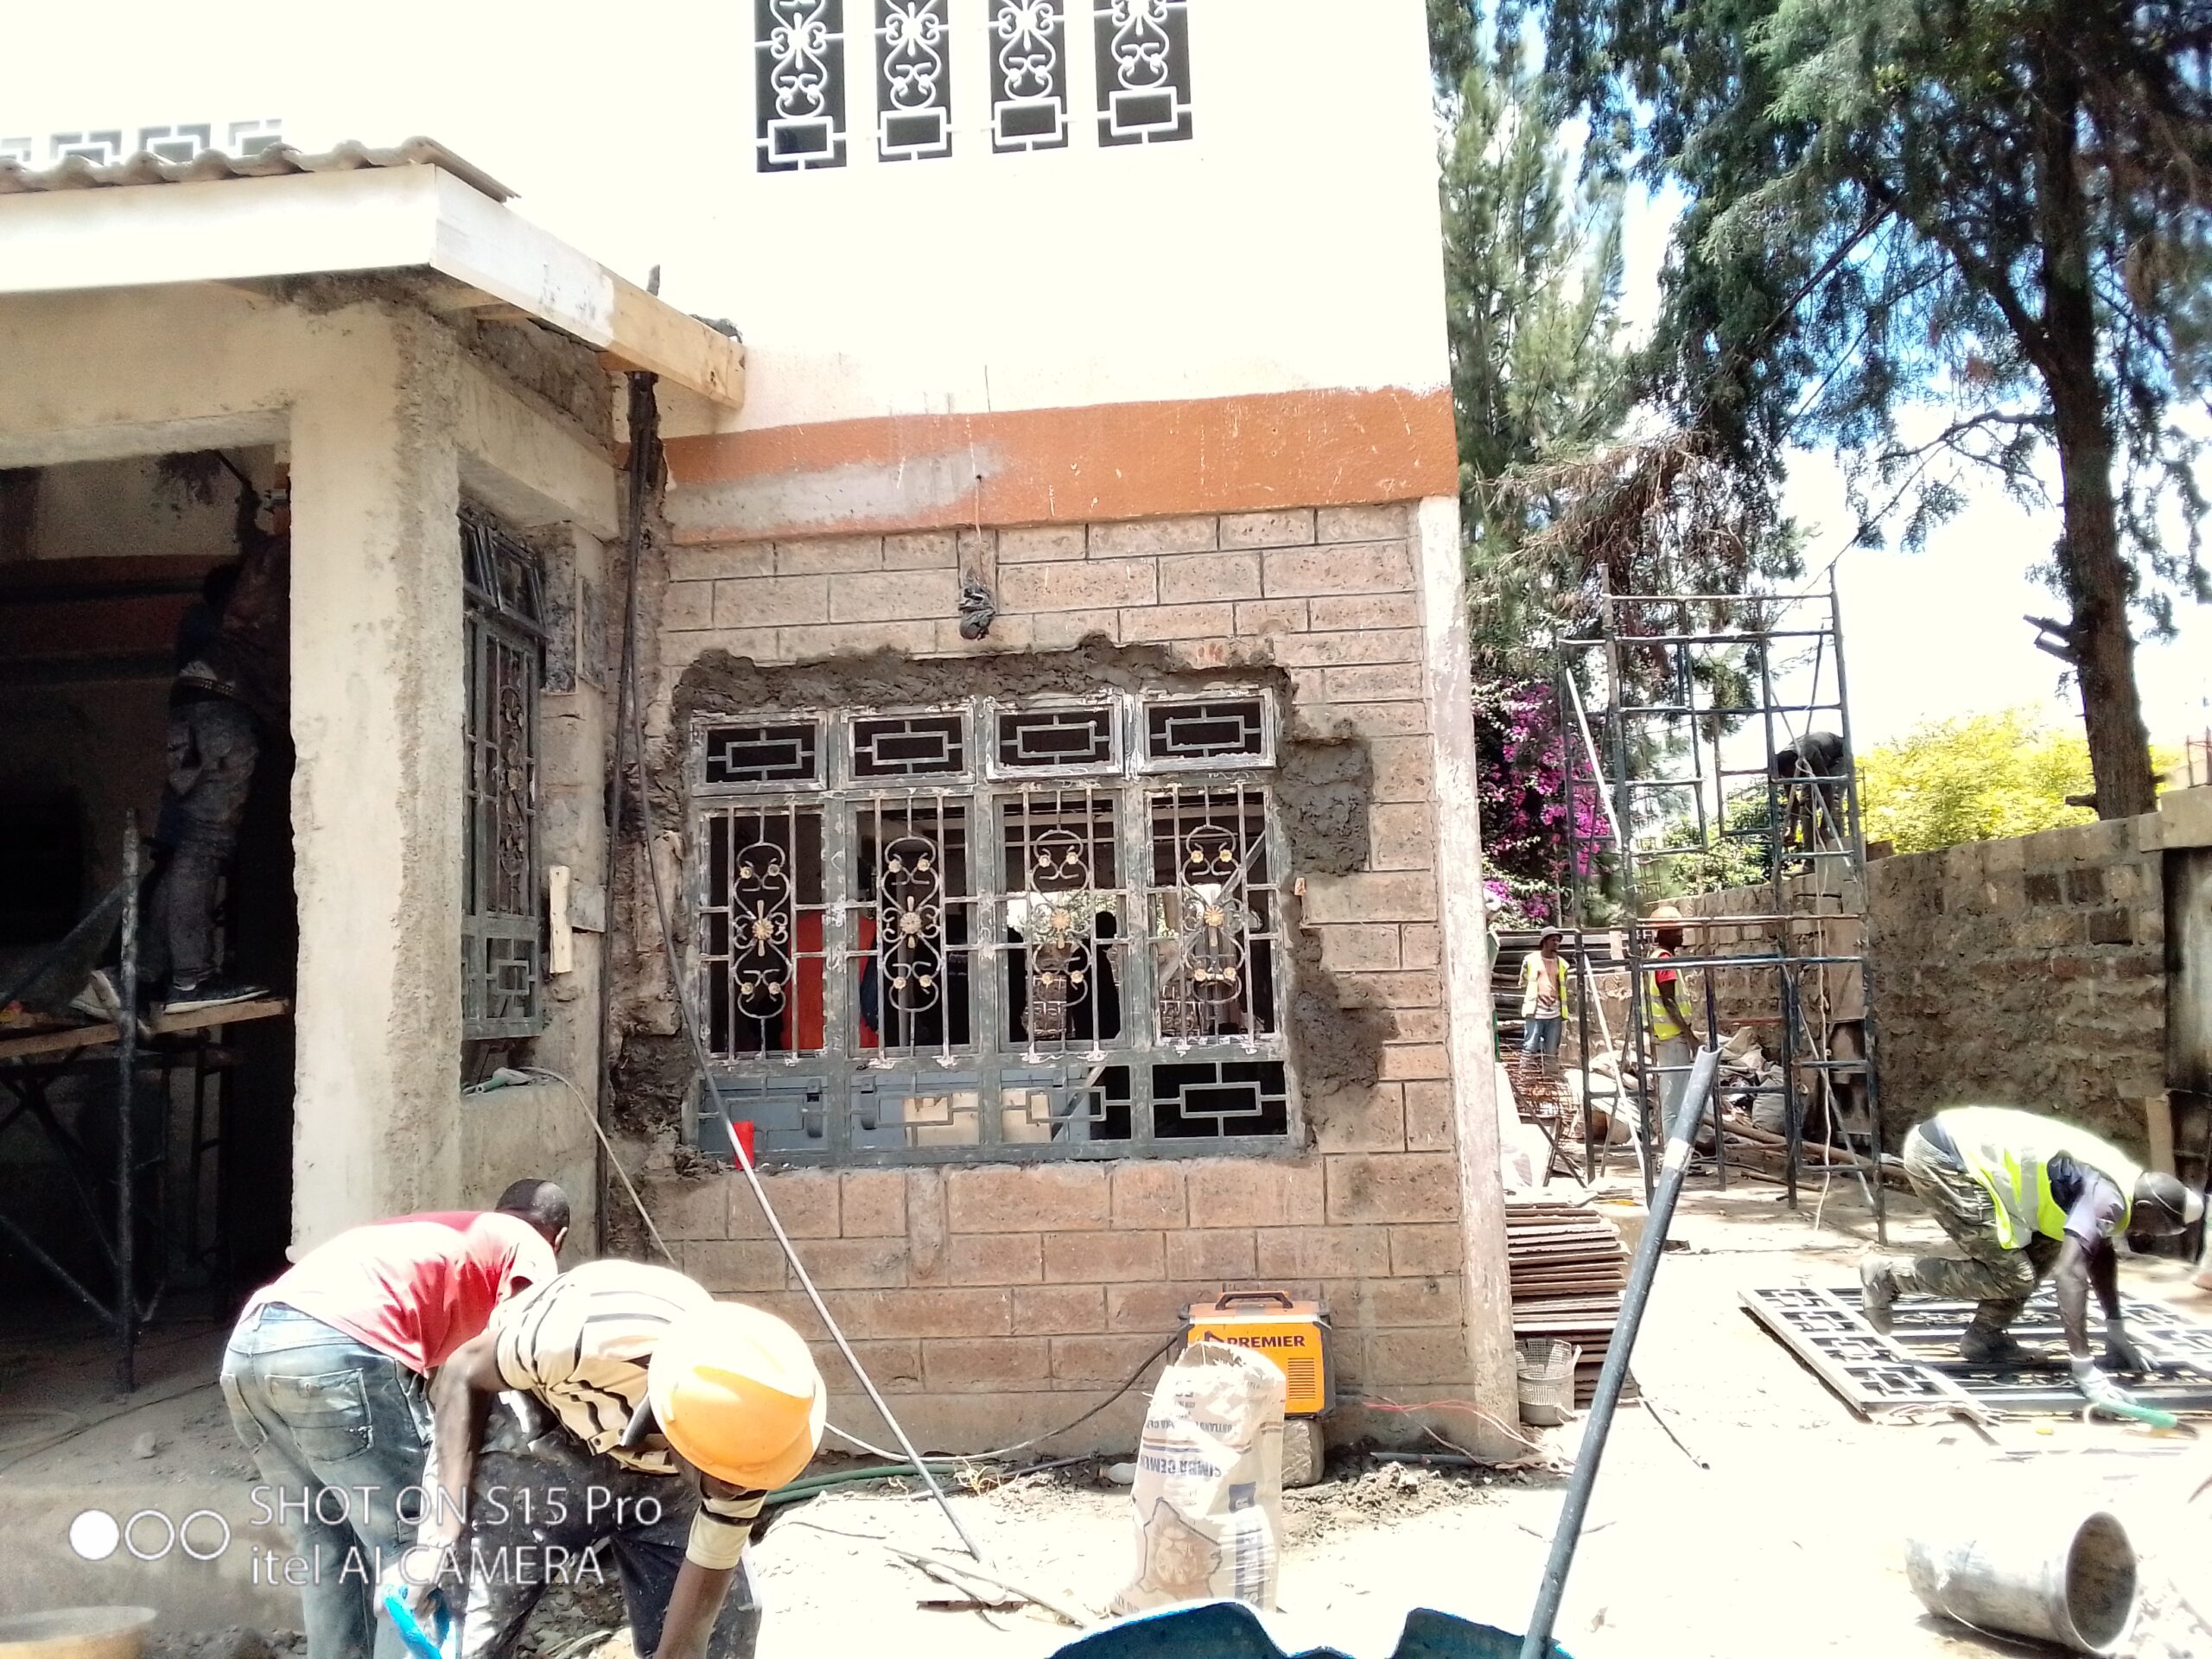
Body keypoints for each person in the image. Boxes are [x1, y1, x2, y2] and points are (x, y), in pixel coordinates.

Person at [219, 1180, 570, 1659]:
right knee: (409, 1549)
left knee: (328, 1547)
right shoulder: (529, 1244)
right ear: (559, 1237)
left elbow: (447, 1385)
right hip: (338, 1349)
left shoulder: (448, 1242)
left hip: (249, 1350)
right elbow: (524, 1349)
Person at [404, 1259, 823, 1658]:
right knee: (463, 1632)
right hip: (540, 1430)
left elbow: (693, 1622)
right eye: (719, 1472)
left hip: (668, 1480)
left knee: (723, 1632)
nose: (733, 1490)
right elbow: (463, 1370)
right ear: (672, 1427)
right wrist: (442, 1531)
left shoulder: (759, 1442)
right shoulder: (584, 1336)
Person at [1859, 1107, 2203, 1409]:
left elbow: (2100, 1253)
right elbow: (2070, 1275)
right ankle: (1889, 1275)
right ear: (2145, 1208)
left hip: (1966, 1157)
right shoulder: (2108, 1197)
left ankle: (1985, 1339)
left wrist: (2115, 1330)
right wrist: (2084, 1367)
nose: (2147, 1236)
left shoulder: (2125, 1184)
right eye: (2156, 1229)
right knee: (2012, 1275)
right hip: (1944, 1158)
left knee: (2047, 1246)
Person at [147, 469, 290, 1014]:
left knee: (191, 845)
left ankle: (153, 971)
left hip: (195, 712)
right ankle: (190, 980)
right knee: (204, 845)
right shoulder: (270, 586)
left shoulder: (205, 629)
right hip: (225, 717)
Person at [1642, 904, 1696, 1129]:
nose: (1681, 934)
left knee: (1672, 1096)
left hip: (1664, 1036)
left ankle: (1671, 1145)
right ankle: (1672, 1149)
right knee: (1674, 1100)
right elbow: (1669, 1001)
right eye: (1676, 931)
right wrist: (1690, 1036)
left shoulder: (1655, 957)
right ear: (1664, 933)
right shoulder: (1664, 960)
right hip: (1672, 1036)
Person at [1774, 730, 1848, 855]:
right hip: (1813, 759)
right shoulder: (1783, 768)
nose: (1789, 778)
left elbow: (1827, 791)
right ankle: (1811, 858)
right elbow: (1793, 802)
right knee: (1807, 806)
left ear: (1796, 765)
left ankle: (1837, 849)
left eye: (1789, 774)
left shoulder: (1810, 755)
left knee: (1834, 801)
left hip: (1838, 756)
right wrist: (1792, 830)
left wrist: (1824, 826)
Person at [1518, 929, 1570, 1061]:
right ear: (1544, 942)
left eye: (1558, 940)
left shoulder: (1563, 964)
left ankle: (1551, 1073)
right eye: (1553, 940)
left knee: (1552, 1051)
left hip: (1555, 1013)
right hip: (1536, 1011)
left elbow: (1563, 986)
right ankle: (1525, 1073)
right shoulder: (1530, 960)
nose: (1556, 943)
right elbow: (1523, 982)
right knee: (1529, 1047)